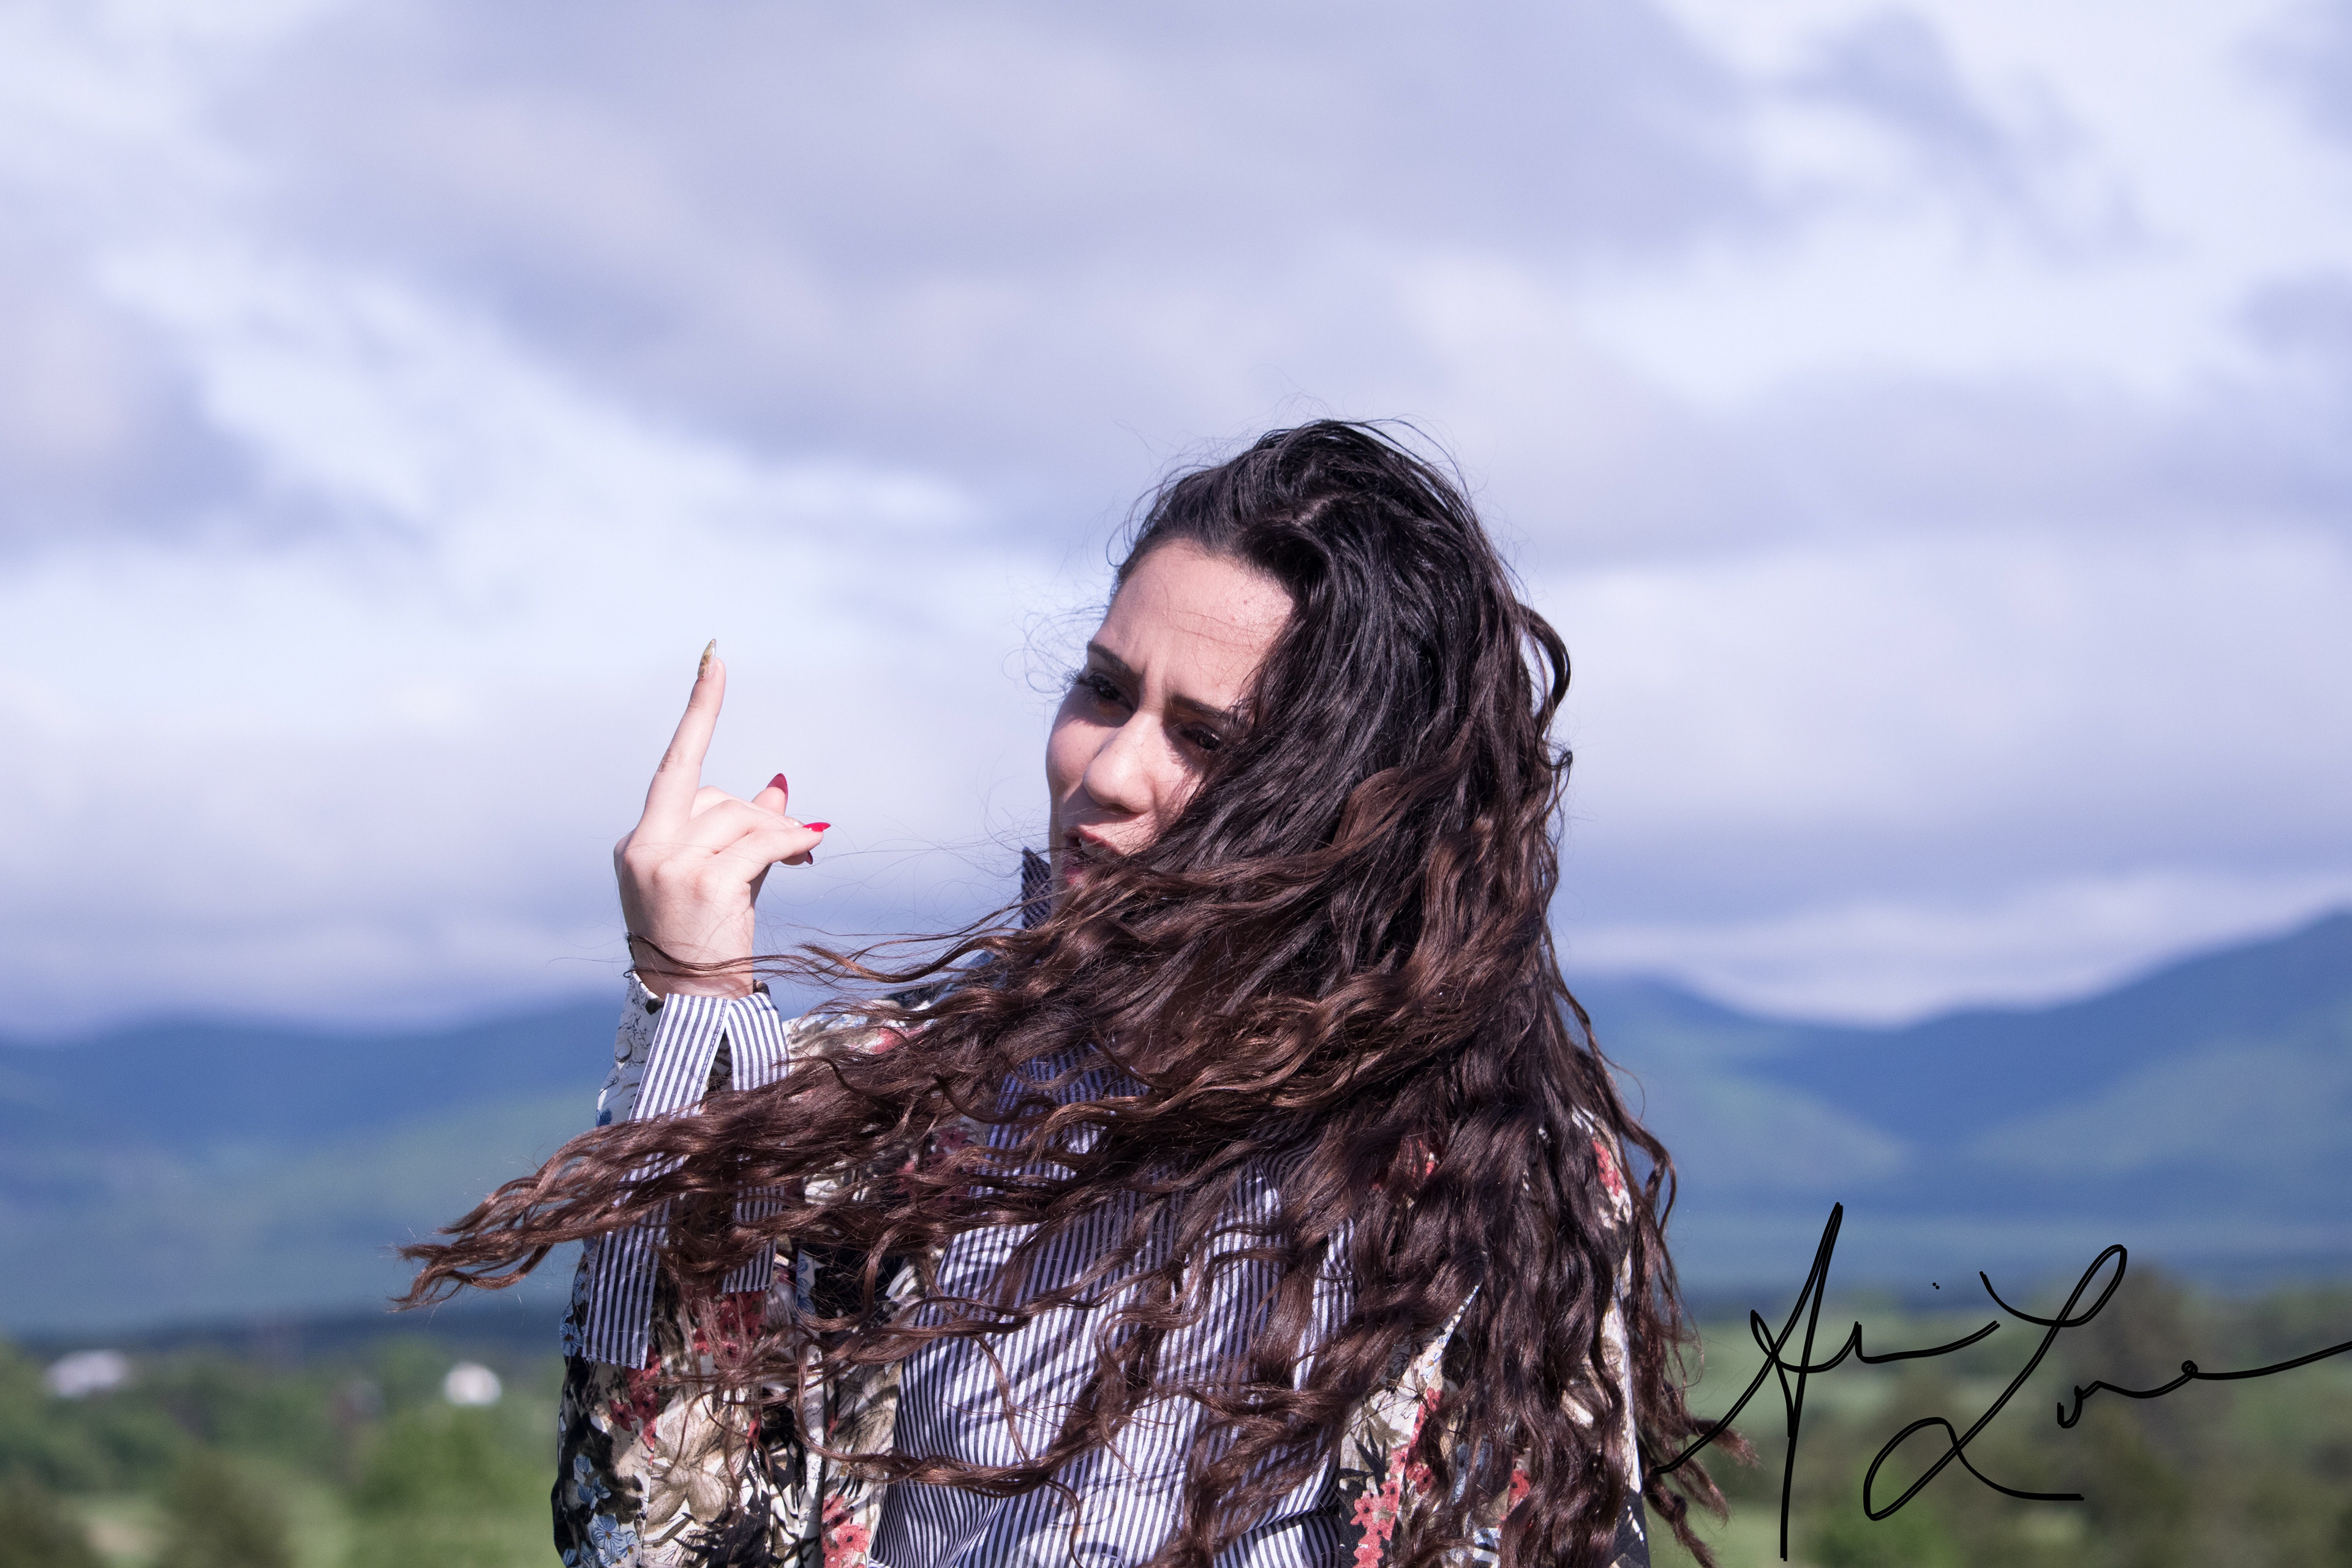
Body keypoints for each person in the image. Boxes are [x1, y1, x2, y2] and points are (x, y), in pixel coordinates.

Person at [402, 422, 1735, 1568]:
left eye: (1205, 737)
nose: (1108, 767)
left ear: (1354, 805)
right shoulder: (893, 1111)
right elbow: (653, 1537)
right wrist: (691, 999)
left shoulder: (1473, 1175)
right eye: (1104, 689)